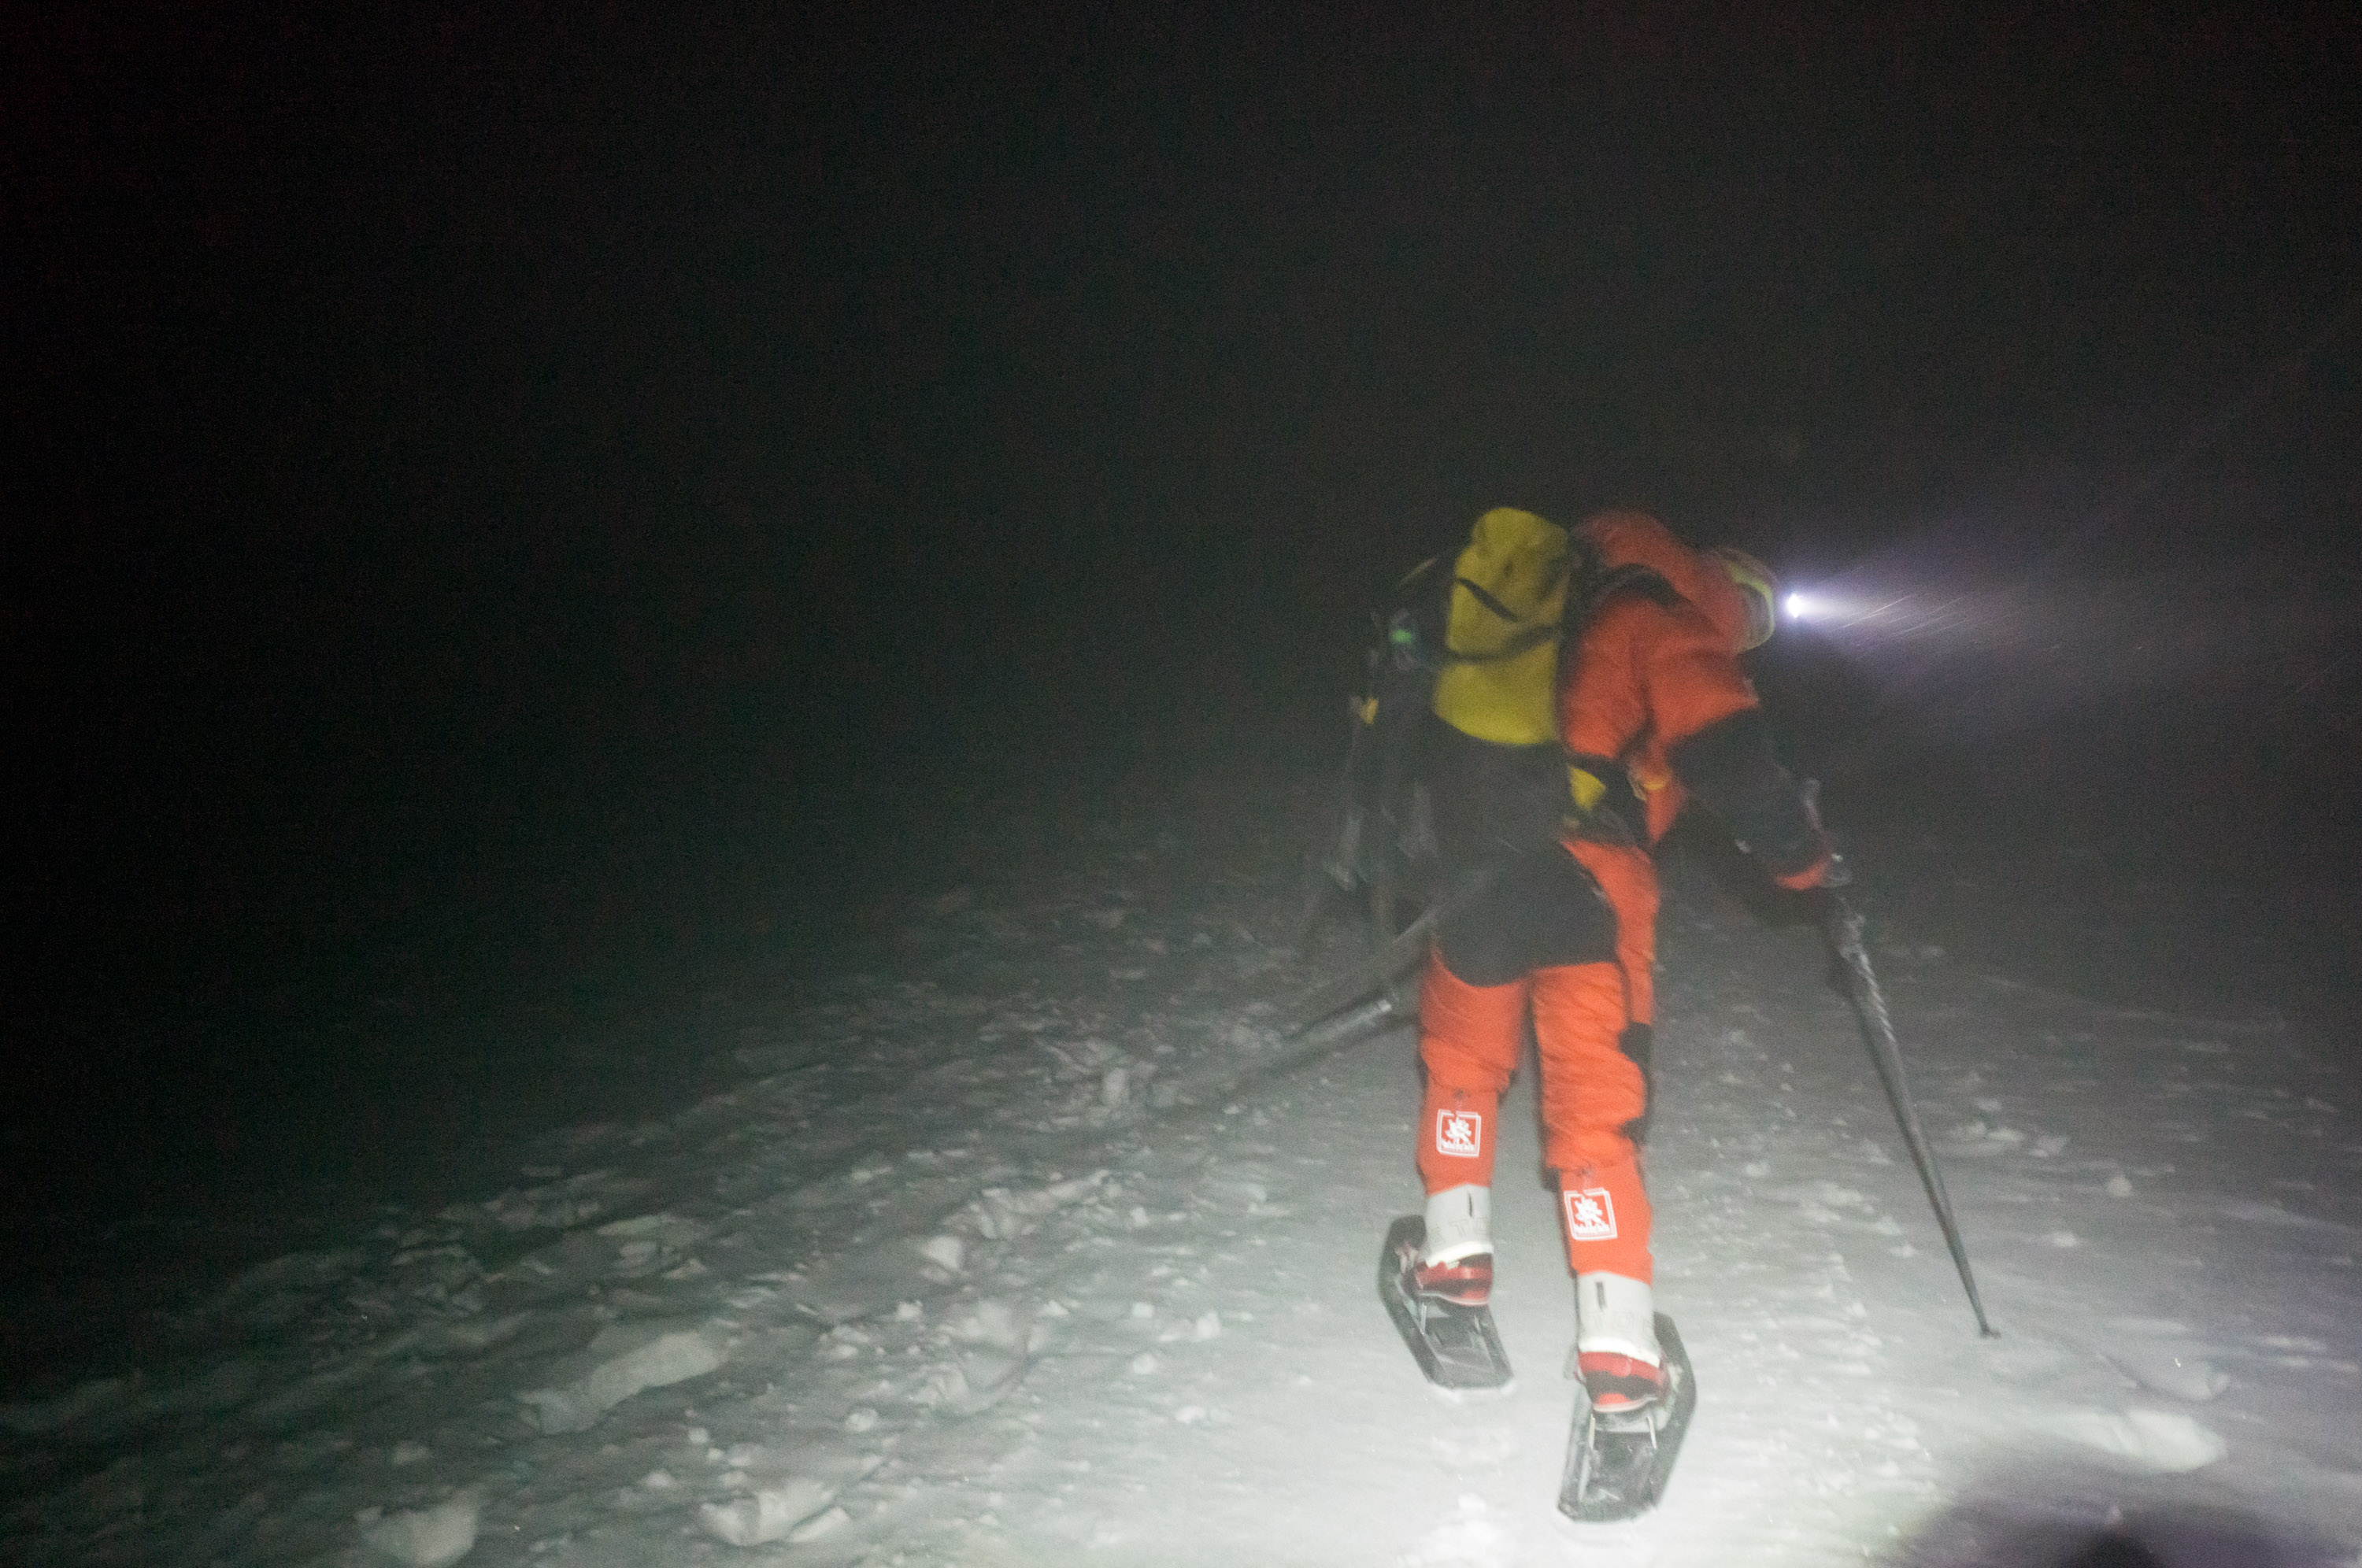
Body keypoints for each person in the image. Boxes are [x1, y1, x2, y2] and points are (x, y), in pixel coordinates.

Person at [1407, 506, 1837, 1417]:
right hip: (1590, 892)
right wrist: (1807, 863)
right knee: (1596, 1112)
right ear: (1731, 598)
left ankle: (1450, 1265)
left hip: (1478, 861)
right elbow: (1729, 750)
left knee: (1462, 1068)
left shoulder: (1549, 607)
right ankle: (1620, 1361)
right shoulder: (1663, 615)